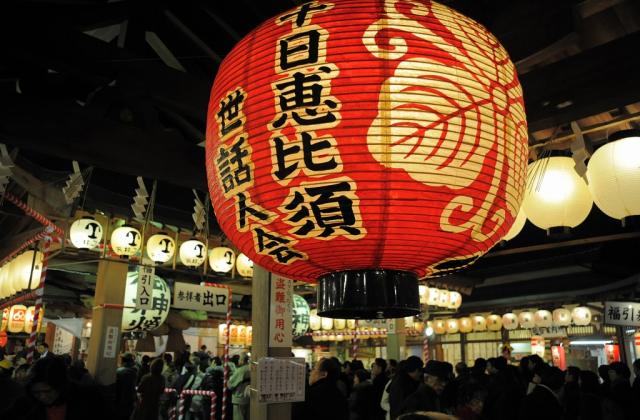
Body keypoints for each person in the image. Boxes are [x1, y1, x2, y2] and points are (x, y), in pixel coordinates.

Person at [23, 355, 113, 420]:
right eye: (36, 392)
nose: (42, 396)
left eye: (48, 391)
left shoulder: (89, 399)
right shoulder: (27, 405)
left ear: (60, 385)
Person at [116, 353, 138, 420]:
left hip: (118, 400)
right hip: (128, 401)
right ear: (130, 362)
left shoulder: (118, 371)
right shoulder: (133, 372)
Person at [228, 352, 251, 420]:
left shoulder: (240, 370)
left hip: (239, 397)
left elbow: (230, 385)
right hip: (248, 397)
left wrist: (227, 380)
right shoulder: (250, 368)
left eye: (239, 359)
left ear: (242, 360)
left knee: (238, 417)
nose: (238, 361)